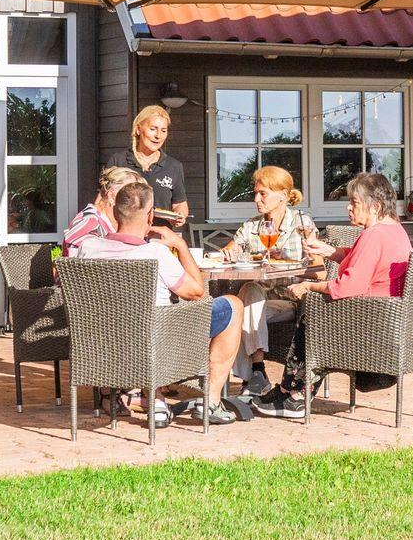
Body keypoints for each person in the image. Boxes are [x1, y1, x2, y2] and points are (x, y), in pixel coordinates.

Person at [74, 180, 244, 426]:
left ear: (116, 213)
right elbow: (197, 293)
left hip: (104, 343)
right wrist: (180, 246)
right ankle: (211, 401)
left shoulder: (88, 248)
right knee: (233, 305)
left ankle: (157, 401)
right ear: (150, 216)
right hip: (160, 342)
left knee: (139, 320)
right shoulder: (156, 253)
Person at [280, 171, 413, 415]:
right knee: (318, 311)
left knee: (312, 316)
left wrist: (308, 286)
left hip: (369, 326)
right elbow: (362, 260)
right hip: (390, 324)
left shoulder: (374, 235)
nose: (348, 208)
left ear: (375, 206)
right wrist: (328, 250)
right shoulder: (394, 230)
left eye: (354, 202)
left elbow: (346, 287)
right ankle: (291, 391)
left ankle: (294, 394)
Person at [223, 165, 319, 400]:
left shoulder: (301, 224)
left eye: (263, 193)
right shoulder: (252, 226)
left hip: (290, 299)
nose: (256, 199)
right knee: (248, 294)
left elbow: (319, 268)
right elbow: (229, 250)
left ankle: (250, 379)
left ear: (283, 195)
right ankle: (258, 371)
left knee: (238, 313)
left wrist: (289, 262)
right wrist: (230, 253)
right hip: (260, 299)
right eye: (255, 193)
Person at [128, 103, 189, 229]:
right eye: (153, 129)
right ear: (138, 129)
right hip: (125, 237)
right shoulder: (119, 161)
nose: (158, 136)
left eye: (163, 131)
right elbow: (103, 203)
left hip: (159, 236)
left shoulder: (174, 166)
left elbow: (180, 204)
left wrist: (179, 216)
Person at [65, 165, 142, 250]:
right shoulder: (90, 221)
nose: (135, 202)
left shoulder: (110, 220)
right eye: (129, 196)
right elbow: (73, 253)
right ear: (111, 196)